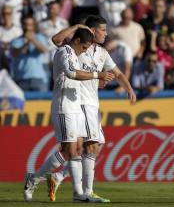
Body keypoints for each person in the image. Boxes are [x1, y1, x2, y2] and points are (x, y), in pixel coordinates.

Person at [48, 15, 136, 202]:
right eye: (103, 30)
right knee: (88, 146)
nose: (106, 33)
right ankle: (85, 192)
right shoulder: (77, 49)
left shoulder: (101, 52)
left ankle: (60, 176)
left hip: (93, 104)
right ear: (93, 31)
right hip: (80, 103)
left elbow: (117, 72)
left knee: (94, 146)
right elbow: (57, 41)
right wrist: (78, 25)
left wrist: (129, 88)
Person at [23, 28, 115, 202]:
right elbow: (72, 73)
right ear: (77, 40)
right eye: (85, 46)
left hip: (77, 106)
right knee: (70, 150)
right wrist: (98, 75)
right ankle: (36, 179)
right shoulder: (64, 51)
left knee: (76, 150)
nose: (86, 50)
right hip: (64, 105)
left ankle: (77, 193)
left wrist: (99, 79)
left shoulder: (79, 53)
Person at [10, 15, 49, 91]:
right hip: (21, 79)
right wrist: (27, 43)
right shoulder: (16, 40)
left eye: (30, 25)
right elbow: (14, 54)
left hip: (38, 78)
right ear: (22, 25)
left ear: (34, 26)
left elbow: (44, 50)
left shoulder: (40, 37)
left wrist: (33, 40)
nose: (28, 27)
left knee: (41, 103)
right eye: (25, 24)